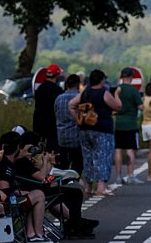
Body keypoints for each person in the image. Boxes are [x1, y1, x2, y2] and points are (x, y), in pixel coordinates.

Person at [14, 131, 97, 239]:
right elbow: (42, 177)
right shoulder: (22, 161)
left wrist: (49, 162)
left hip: (39, 189)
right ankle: (75, 225)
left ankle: (76, 223)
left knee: (72, 189)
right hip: (36, 191)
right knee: (75, 193)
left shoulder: (25, 160)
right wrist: (45, 161)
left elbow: (43, 174)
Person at [69, 68, 121, 198]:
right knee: (103, 157)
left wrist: (78, 120)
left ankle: (88, 187)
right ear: (101, 80)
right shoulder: (104, 92)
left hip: (84, 130)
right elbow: (117, 106)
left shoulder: (85, 92)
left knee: (88, 158)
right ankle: (101, 187)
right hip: (102, 130)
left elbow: (71, 105)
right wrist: (117, 94)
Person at [0, 131, 51, 243]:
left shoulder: (4, 160)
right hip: (6, 204)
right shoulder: (4, 164)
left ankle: (31, 234)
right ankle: (37, 234)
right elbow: (4, 189)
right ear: (17, 148)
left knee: (33, 195)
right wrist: (18, 193)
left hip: (4, 200)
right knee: (39, 195)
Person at [113, 68, 142, 185]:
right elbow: (140, 107)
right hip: (131, 123)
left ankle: (118, 177)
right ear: (131, 77)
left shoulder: (117, 90)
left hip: (119, 123)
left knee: (118, 150)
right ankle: (130, 175)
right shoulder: (133, 90)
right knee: (130, 150)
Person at [54, 73, 83, 177]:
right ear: (78, 84)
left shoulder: (59, 98)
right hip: (77, 138)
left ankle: (63, 183)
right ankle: (74, 181)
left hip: (62, 137)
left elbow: (56, 115)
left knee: (63, 166)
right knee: (77, 164)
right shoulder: (80, 97)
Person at [32, 64, 63, 153]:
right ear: (57, 75)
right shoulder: (57, 90)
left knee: (40, 151)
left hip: (38, 124)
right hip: (51, 126)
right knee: (51, 152)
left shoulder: (40, 89)